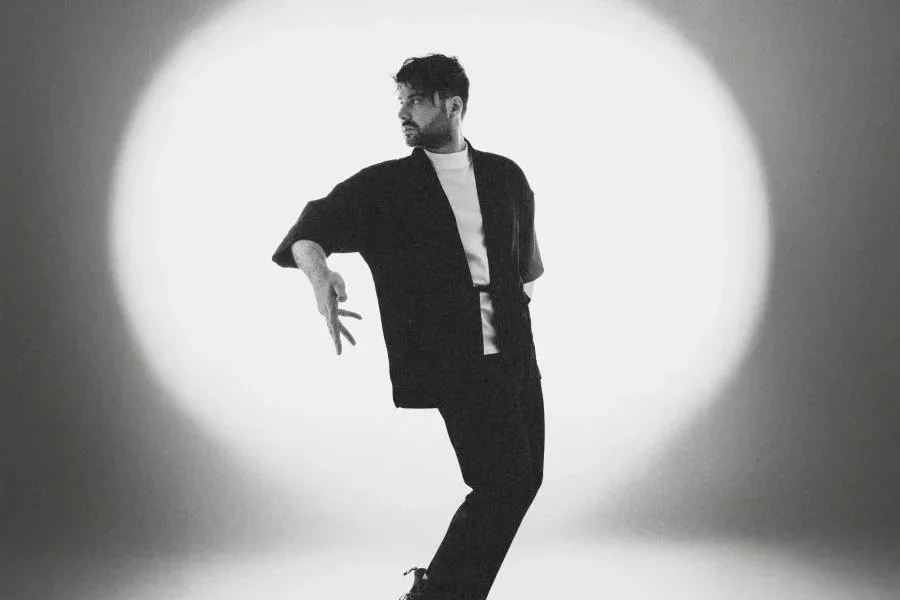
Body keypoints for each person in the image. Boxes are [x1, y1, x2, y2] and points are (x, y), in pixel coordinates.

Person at [272, 53, 545, 600]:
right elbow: (307, 230)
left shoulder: (506, 177)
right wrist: (321, 276)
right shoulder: (387, 187)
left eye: (415, 101)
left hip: (516, 357)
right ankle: (436, 595)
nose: (403, 112)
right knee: (501, 481)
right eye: (401, 101)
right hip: (456, 362)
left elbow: (527, 271)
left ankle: (439, 593)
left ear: (453, 106)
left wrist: (507, 317)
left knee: (522, 480)